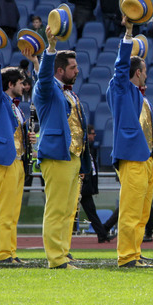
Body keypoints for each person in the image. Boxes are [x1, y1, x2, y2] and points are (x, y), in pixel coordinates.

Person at [33, 33, 90, 269]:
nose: (77, 71)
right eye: (73, 67)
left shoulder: (68, 91)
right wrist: (51, 48)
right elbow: (44, 77)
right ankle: (55, 259)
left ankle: (63, 253)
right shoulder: (46, 88)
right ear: (59, 70)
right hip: (57, 156)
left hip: (72, 156)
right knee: (56, 209)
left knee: (68, 210)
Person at [106, 17, 153, 267]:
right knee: (130, 211)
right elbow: (120, 68)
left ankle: (135, 252)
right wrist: (128, 33)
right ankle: (126, 256)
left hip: (146, 158)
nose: (146, 75)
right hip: (132, 157)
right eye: (144, 71)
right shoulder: (120, 89)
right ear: (137, 72)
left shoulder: (139, 95)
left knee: (142, 213)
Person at [0, 52, 34, 265]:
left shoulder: (14, 105)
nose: (24, 87)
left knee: (13, 212)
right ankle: (3, 254)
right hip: (5, 161)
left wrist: (26, 136)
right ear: (10, 83)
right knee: (5, 210)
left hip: (17, 161)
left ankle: (11, 253)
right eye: (21, 83)